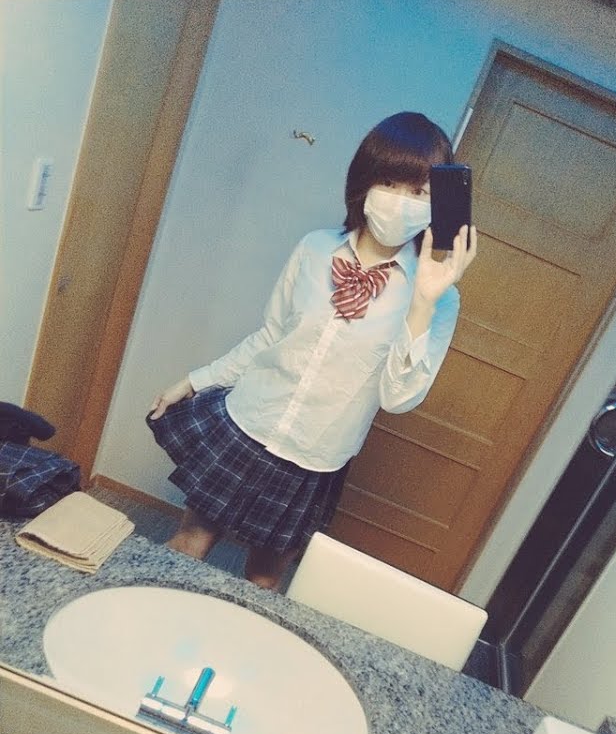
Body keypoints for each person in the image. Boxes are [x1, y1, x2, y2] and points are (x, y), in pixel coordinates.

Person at [148, 111, 477, 590]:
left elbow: (398, 399)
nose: (401, 201)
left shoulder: (441, 299)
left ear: (437, 204)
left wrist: (423, 301)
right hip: (248, 421)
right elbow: (270, 336)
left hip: (313, 458)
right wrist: (194, 380)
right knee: (187, 545)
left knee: (263, 581)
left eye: (418, 191)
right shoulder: (315, 249)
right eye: (389, 182)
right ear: (364, 182)